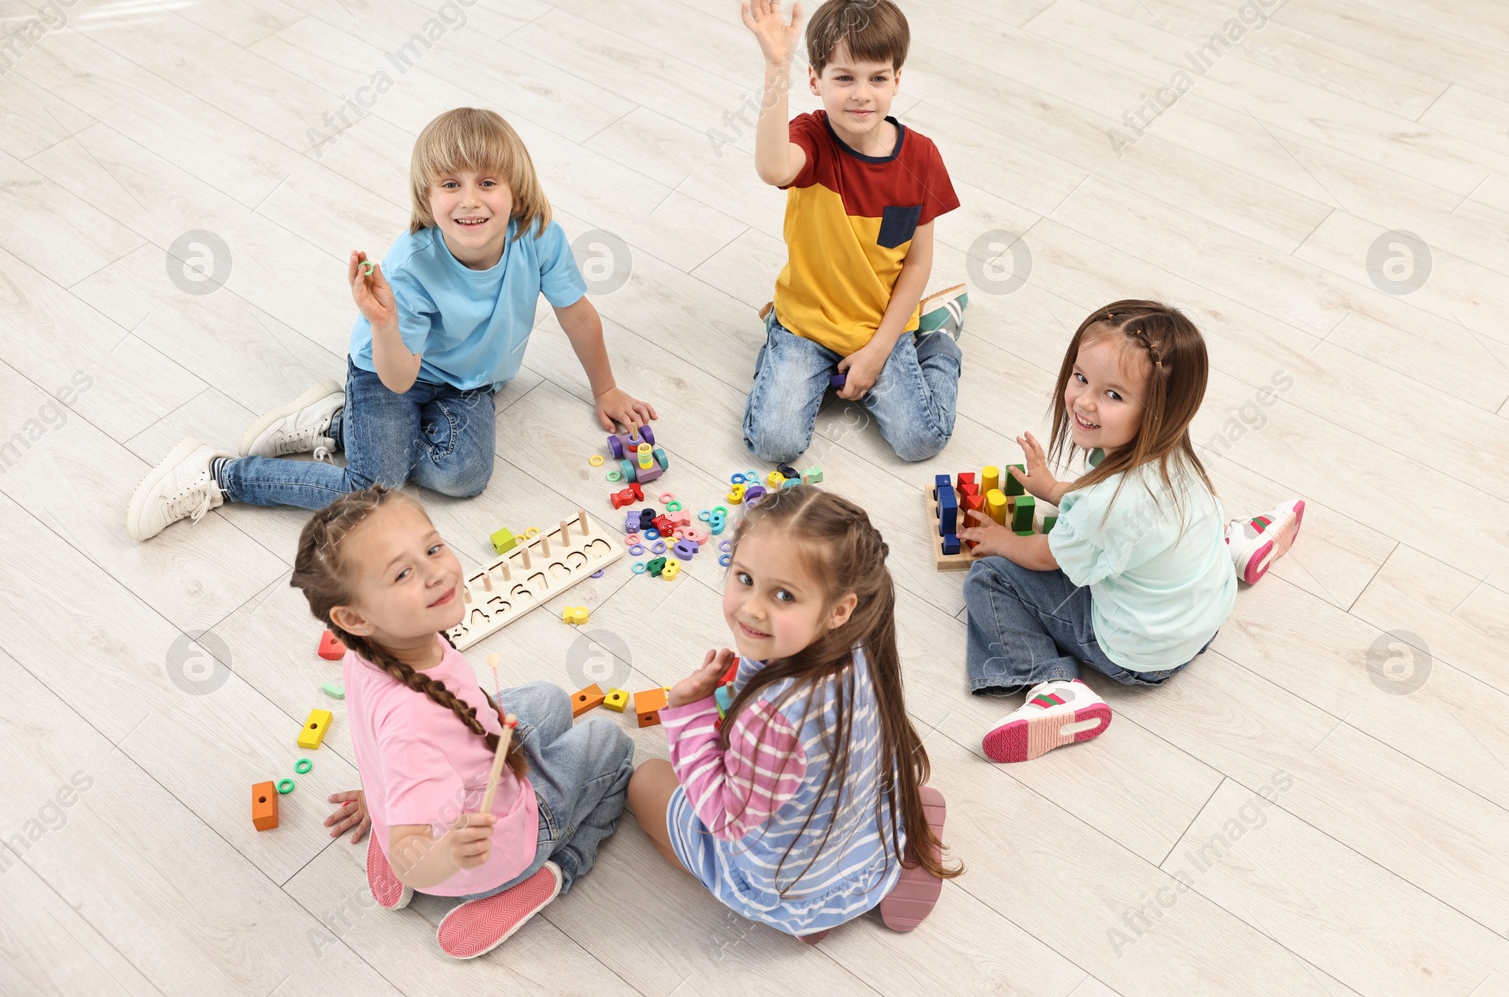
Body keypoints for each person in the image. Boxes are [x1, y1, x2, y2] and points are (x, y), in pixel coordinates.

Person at [127, 107, 653, 540]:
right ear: (428, 196)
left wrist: (604, 389)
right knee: (373, 493)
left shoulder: (539, 236)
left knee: (464, 476)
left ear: (515, 191)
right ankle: (220, 475)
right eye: (451, 184)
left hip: (469, 380)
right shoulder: (409, 268)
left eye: (487, 182)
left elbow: (577, 315)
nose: (470, 200)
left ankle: (336, 423)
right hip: (388, 371)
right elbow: (399, 378)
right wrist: (382, 323)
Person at [297, 485, 633, 959]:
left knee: (552, 699)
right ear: (354, 616)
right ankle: (554, 870)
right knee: (610, 743)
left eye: (433, 548)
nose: (437, 573)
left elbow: (383, 743)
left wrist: (385, 798)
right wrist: (442, 855)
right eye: (403, 573)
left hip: (447, 787)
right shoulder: (414, 730)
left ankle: (399, 821)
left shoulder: (364, 653)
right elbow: (410, 766)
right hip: (497, 847)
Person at [962, 301, 1304, 763]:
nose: (1084, 401)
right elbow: (1109, 513)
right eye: (1081, 378)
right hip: (1203, 618)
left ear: (1159, 409)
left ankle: (1054, 688)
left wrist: (1002, 542)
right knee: (1180, 532)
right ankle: (1237, 546)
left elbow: (1046, 555)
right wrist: (1053, 489)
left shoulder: (1106, 505)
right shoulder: (1173, 454)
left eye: (1113, 395)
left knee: (989, 578)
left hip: (1138, 655)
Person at [628, 485, 961, 941]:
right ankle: (886, 858)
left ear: (839, 609)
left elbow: (726, 820)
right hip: (863, 824)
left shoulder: (770, 720)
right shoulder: (860, 639)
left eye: (783, 595)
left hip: (789, 883)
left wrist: (688, 714)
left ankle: (808, 915)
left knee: (644, 781)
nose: (752, 609)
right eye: (744, 578)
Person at [739, 0, 966, 464]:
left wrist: (879, 350)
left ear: (897, 80)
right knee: (774, 444)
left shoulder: (921, 156)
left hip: (880, 325)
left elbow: (919, 261)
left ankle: (939, 338)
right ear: (816, 80)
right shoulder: (811, 137)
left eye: (877, 79)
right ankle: (781, 344)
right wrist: (775, 67)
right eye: (844, 78)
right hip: (808, 324)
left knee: (920, 441)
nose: (862, 95)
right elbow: (772, 169)